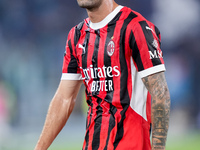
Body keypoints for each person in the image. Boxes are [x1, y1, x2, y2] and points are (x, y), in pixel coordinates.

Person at [34, 0, 171, 150]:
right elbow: (64, 99)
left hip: (131, 144)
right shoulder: (76, 36)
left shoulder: (136, 27)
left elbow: (160, 94)